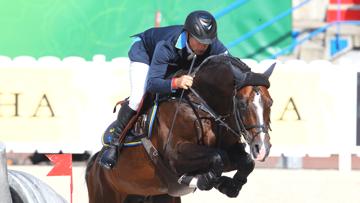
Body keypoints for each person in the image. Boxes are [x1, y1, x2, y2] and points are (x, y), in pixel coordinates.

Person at [99, 10, 229, 169]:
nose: (204, 46)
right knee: (138, 98)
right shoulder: (167, 45)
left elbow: (230, 65)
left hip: (174, 62)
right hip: (145, 53)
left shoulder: (211, 43)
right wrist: (176, 83)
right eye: (200, 41)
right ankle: (114, 142)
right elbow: (153, 84)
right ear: (188, 34)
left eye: (207, 41)